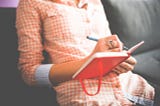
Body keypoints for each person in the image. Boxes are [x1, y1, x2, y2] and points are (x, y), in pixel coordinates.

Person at [16, 0, 155, 105]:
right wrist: (89, 63)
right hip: (87, 94)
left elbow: (107, 44)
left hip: (132, 86)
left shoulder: (94, 1)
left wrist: (117, 58)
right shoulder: (32, 3)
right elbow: (29, 73)